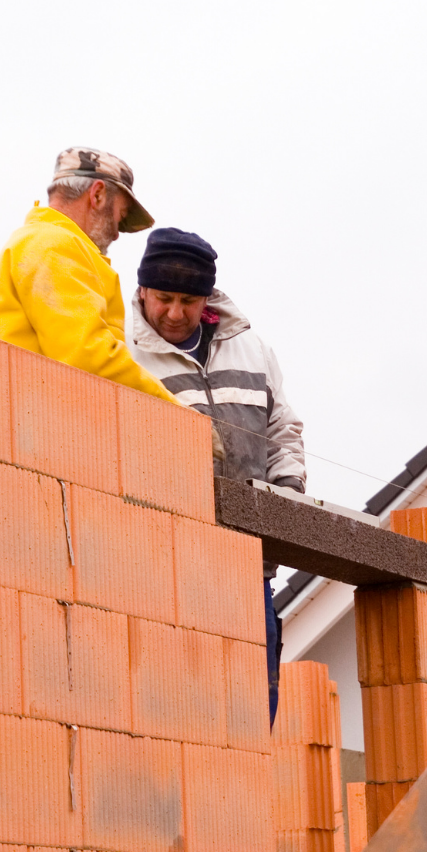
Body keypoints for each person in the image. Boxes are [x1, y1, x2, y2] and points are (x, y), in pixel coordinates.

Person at [128, 227, 306, 726]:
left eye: (189, 300)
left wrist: (286, 503)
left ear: (208, 299)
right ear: (142, 289)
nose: (174, 313)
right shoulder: (120, 350)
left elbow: (283, 429)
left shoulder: (251, 349)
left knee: (251, 720)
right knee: (177, 720)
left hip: (251, 572)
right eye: (163, 298)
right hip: (162, 572)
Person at [0, 147, 179, 405]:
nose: (117, 234)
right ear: (98, 195)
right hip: (38, 423)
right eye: (121, 216)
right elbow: (89, 356)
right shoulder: (55, 245)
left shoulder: (38, 241)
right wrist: (175, 413)